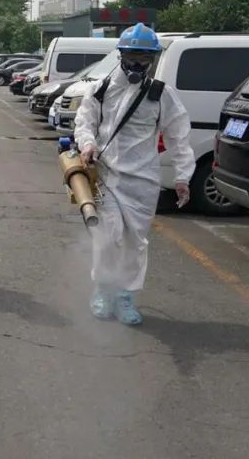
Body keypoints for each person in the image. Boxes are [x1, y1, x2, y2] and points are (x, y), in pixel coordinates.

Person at [73, 23, 194, 325]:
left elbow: (179, 136)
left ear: (152, 60)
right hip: (107, 175)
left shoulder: (161, 95)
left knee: (135, 242)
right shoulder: (100, 90)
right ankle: (102, 289)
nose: (138, 64)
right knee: (107, 235)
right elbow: (84, 122)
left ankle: (126, 296)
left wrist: (182, 178)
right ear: (121, 55)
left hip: (143, 182)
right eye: (132, 56)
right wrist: (87, 144)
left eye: (144, 58)